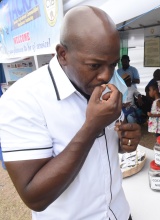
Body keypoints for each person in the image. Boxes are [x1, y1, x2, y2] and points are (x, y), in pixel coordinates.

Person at [0, 6, 141, 220]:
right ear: (63, 54)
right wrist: (92, 127)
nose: (106, 75)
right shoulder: (23, 99)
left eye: (112, 65)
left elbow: (107, 146)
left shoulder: (102, 83)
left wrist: (124, 141)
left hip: (120, 213)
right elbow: (34, 197)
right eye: (95, 65)